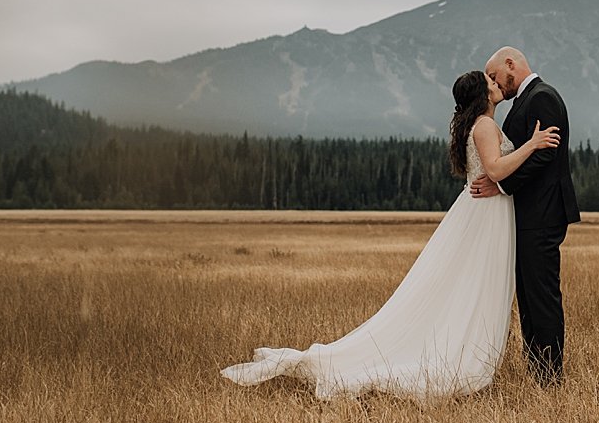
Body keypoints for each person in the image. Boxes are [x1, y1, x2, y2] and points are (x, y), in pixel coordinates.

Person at [220, 70, 559, 400]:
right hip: (487, 214)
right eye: (489, 81)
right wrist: (532, 144)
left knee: (469, 285)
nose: (496, 83)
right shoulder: (484, 125)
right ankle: (459, 353)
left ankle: (468, 345)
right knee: (474, 287)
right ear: (481, 95)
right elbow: (497, 169)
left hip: (484, 211)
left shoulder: (477, 125)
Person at [469, 46, 580, 385]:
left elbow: (544, 154)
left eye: (493, 76)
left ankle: (549, 375)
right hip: (531, 214)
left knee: (541, 294)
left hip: (542, 214)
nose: (493, 84)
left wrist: (501, 185)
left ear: (510, 64)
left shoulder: (542, 97)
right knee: (530, 295)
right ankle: (538, 368)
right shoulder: (526, 99)